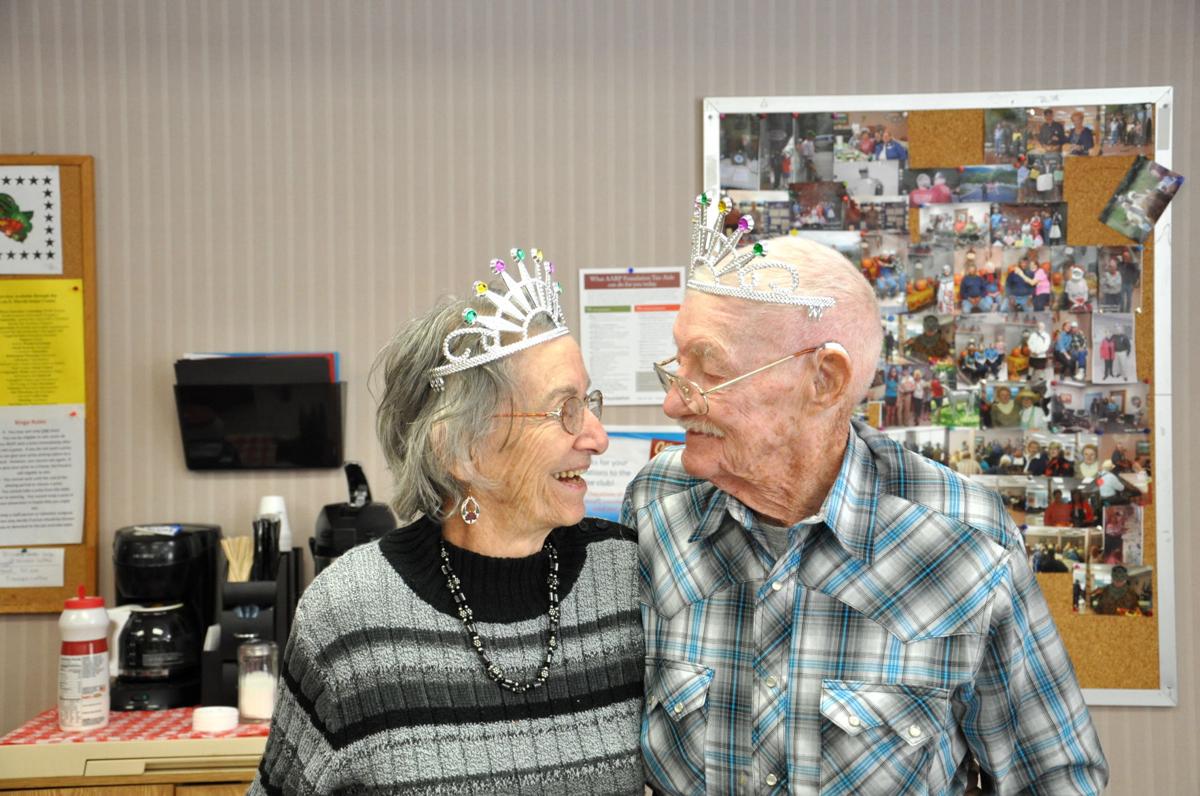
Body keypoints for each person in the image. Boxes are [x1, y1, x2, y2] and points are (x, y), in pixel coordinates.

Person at [626, 201, 1107, 794]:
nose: (673, 402)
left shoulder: (966, 539)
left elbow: (1053, 777)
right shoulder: (656, 506)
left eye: (710, 370)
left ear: (825, 379)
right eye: (678, 363)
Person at [250, 249, 645, 794]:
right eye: (564, 410)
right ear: (461, 451)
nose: (597, 437)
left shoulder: (626, 578)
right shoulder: (348, 615)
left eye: (589, 401)